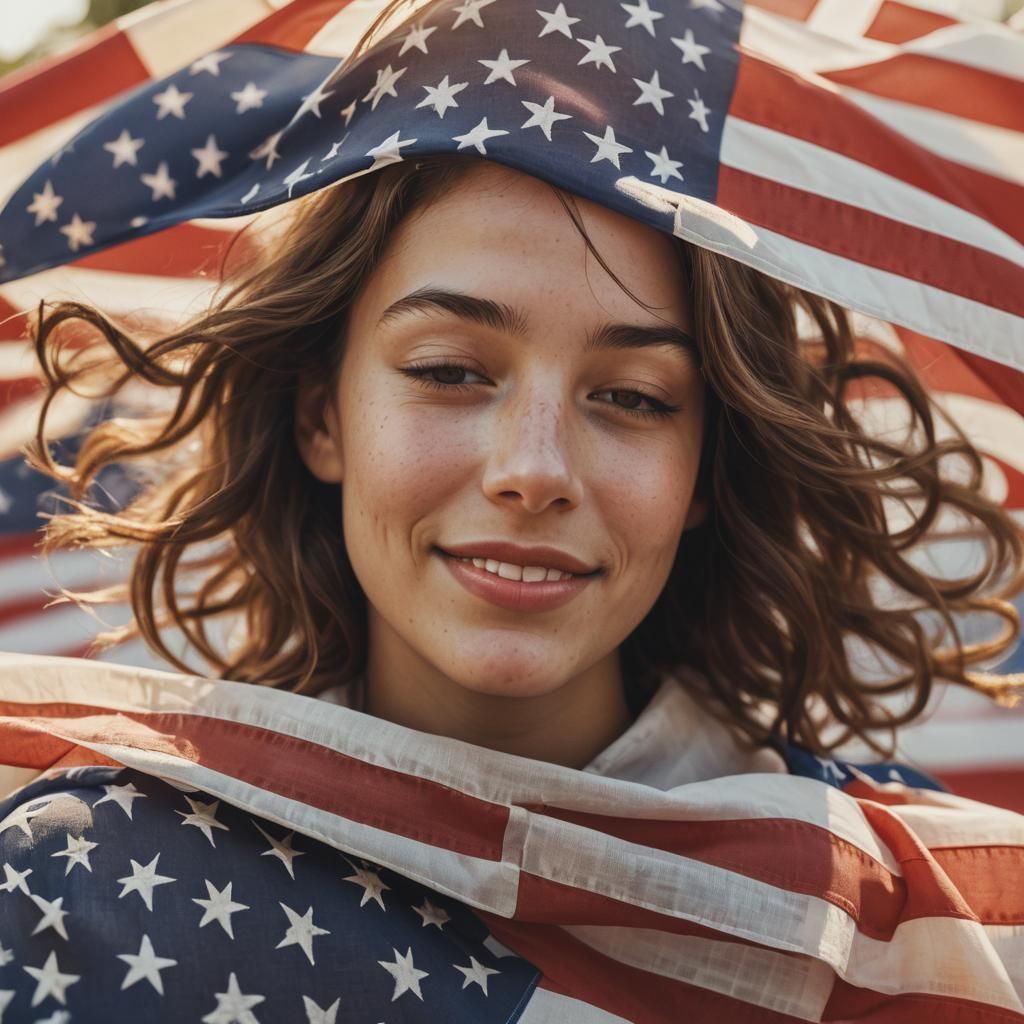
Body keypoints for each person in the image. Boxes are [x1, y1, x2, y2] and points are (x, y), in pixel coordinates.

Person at [1, 0, 1023, 1020]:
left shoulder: (918, 925)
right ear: (322, 417)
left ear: (707, 465)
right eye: (449, 370)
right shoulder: (90, 885)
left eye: (631, 397)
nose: (533, 471)